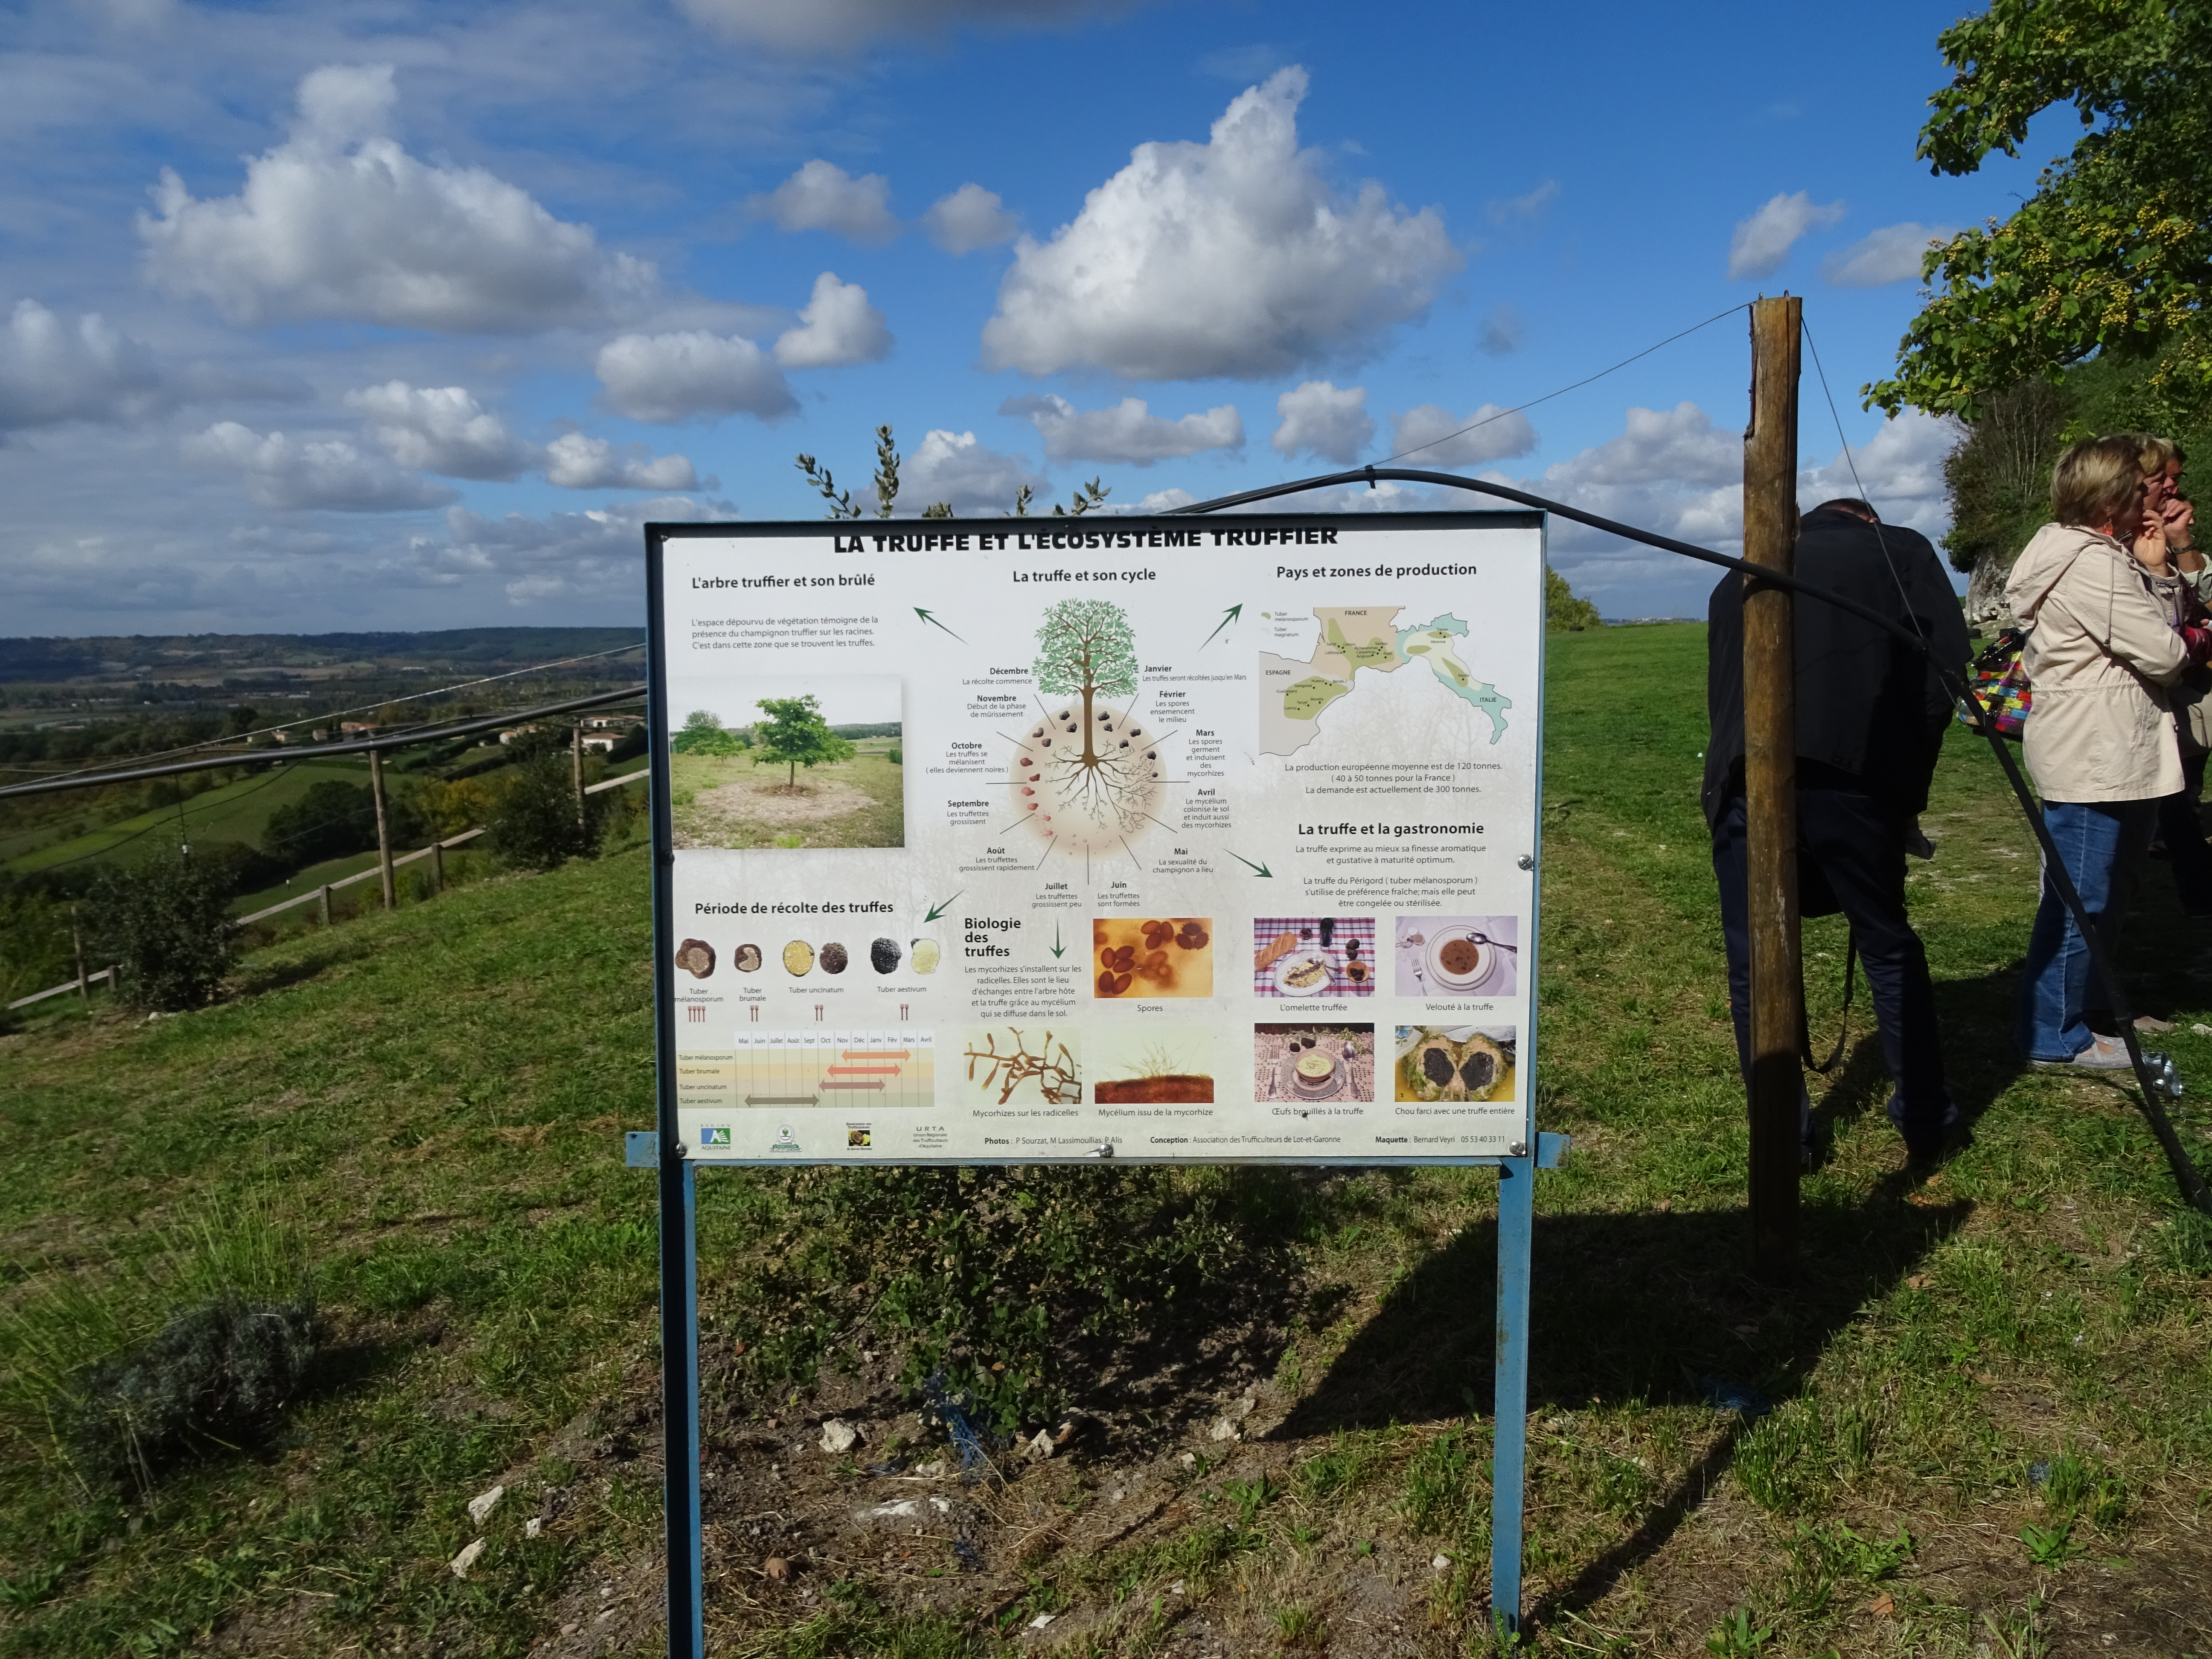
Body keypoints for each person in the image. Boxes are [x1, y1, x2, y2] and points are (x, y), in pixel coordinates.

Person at [1703, 497, 1971, 1165]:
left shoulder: (1733, 576)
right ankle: (1926, 1118)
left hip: (1739, 778)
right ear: (1867, 520)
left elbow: (1720, 700)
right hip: (1850, 775)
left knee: (1753, 962)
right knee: (1885, 941)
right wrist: (1904, 792)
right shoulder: (1899, 550)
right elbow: (1941, 678)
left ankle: (1781, 1137)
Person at [2007, 436, 2201, 1068]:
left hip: (2113, 746)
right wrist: (2168, 610)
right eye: (2141, 488)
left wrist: (2158, 572)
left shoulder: (2099, 555)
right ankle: (2052, 1032)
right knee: (2082, 895)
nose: (2154, 496)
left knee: (2111, 885)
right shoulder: (2090, 564)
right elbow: (2167, 654)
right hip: (2096, 750)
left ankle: (2091, 1006)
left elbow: (2158, 631)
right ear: (2110, 498)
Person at [2123, 434, 2212, 914]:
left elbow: (2206, 600)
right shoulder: (2112, 542)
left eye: (2174, 478)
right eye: (2162, 479)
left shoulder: (2164, 531)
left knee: (2178, 791)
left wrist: (2180, 542)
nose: (2174, 488)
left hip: (2184, 687)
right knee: (2164, 794)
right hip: (2139, 690)